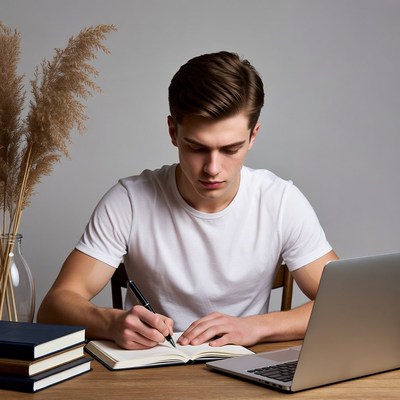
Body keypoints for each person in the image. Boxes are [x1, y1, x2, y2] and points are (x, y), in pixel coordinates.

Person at [37, 51, 338, 350]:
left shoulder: (281, 202)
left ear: (253, 136)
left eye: (230, 149)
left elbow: (344, 303)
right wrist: (112, 323)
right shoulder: (129, 201)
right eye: (196, 148)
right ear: (173, 132)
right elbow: (53, 309)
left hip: (248, 376)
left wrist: (255, 328)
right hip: (151, 374)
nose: (212, 168)